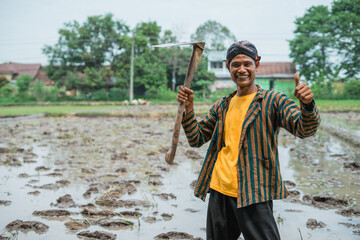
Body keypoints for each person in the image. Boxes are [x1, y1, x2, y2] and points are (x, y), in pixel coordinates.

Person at [177, 40, 321, 240]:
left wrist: (307, 105)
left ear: (257, 65)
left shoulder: (273, 101)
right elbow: (196, 138)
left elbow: (305, 129)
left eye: (247, 64)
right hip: (219, 190)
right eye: (236, 64)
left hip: (255, 191)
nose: (241, 69)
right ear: (228, 66)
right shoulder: (222, 105)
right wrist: (189, 109)